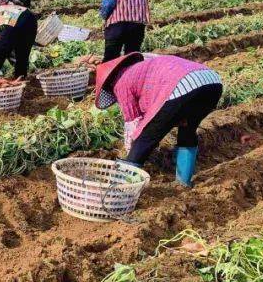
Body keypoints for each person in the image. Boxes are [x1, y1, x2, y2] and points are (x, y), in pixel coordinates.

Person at [94, 52, 223, 187]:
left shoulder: (120, 83)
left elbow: (133, 122)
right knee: (187, 130)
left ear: (108, 84)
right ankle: (184, 182)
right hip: (212, 81)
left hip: (182, 84)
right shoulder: (141, 69)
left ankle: (120, 189)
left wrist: (130, 150)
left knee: (145, 137)